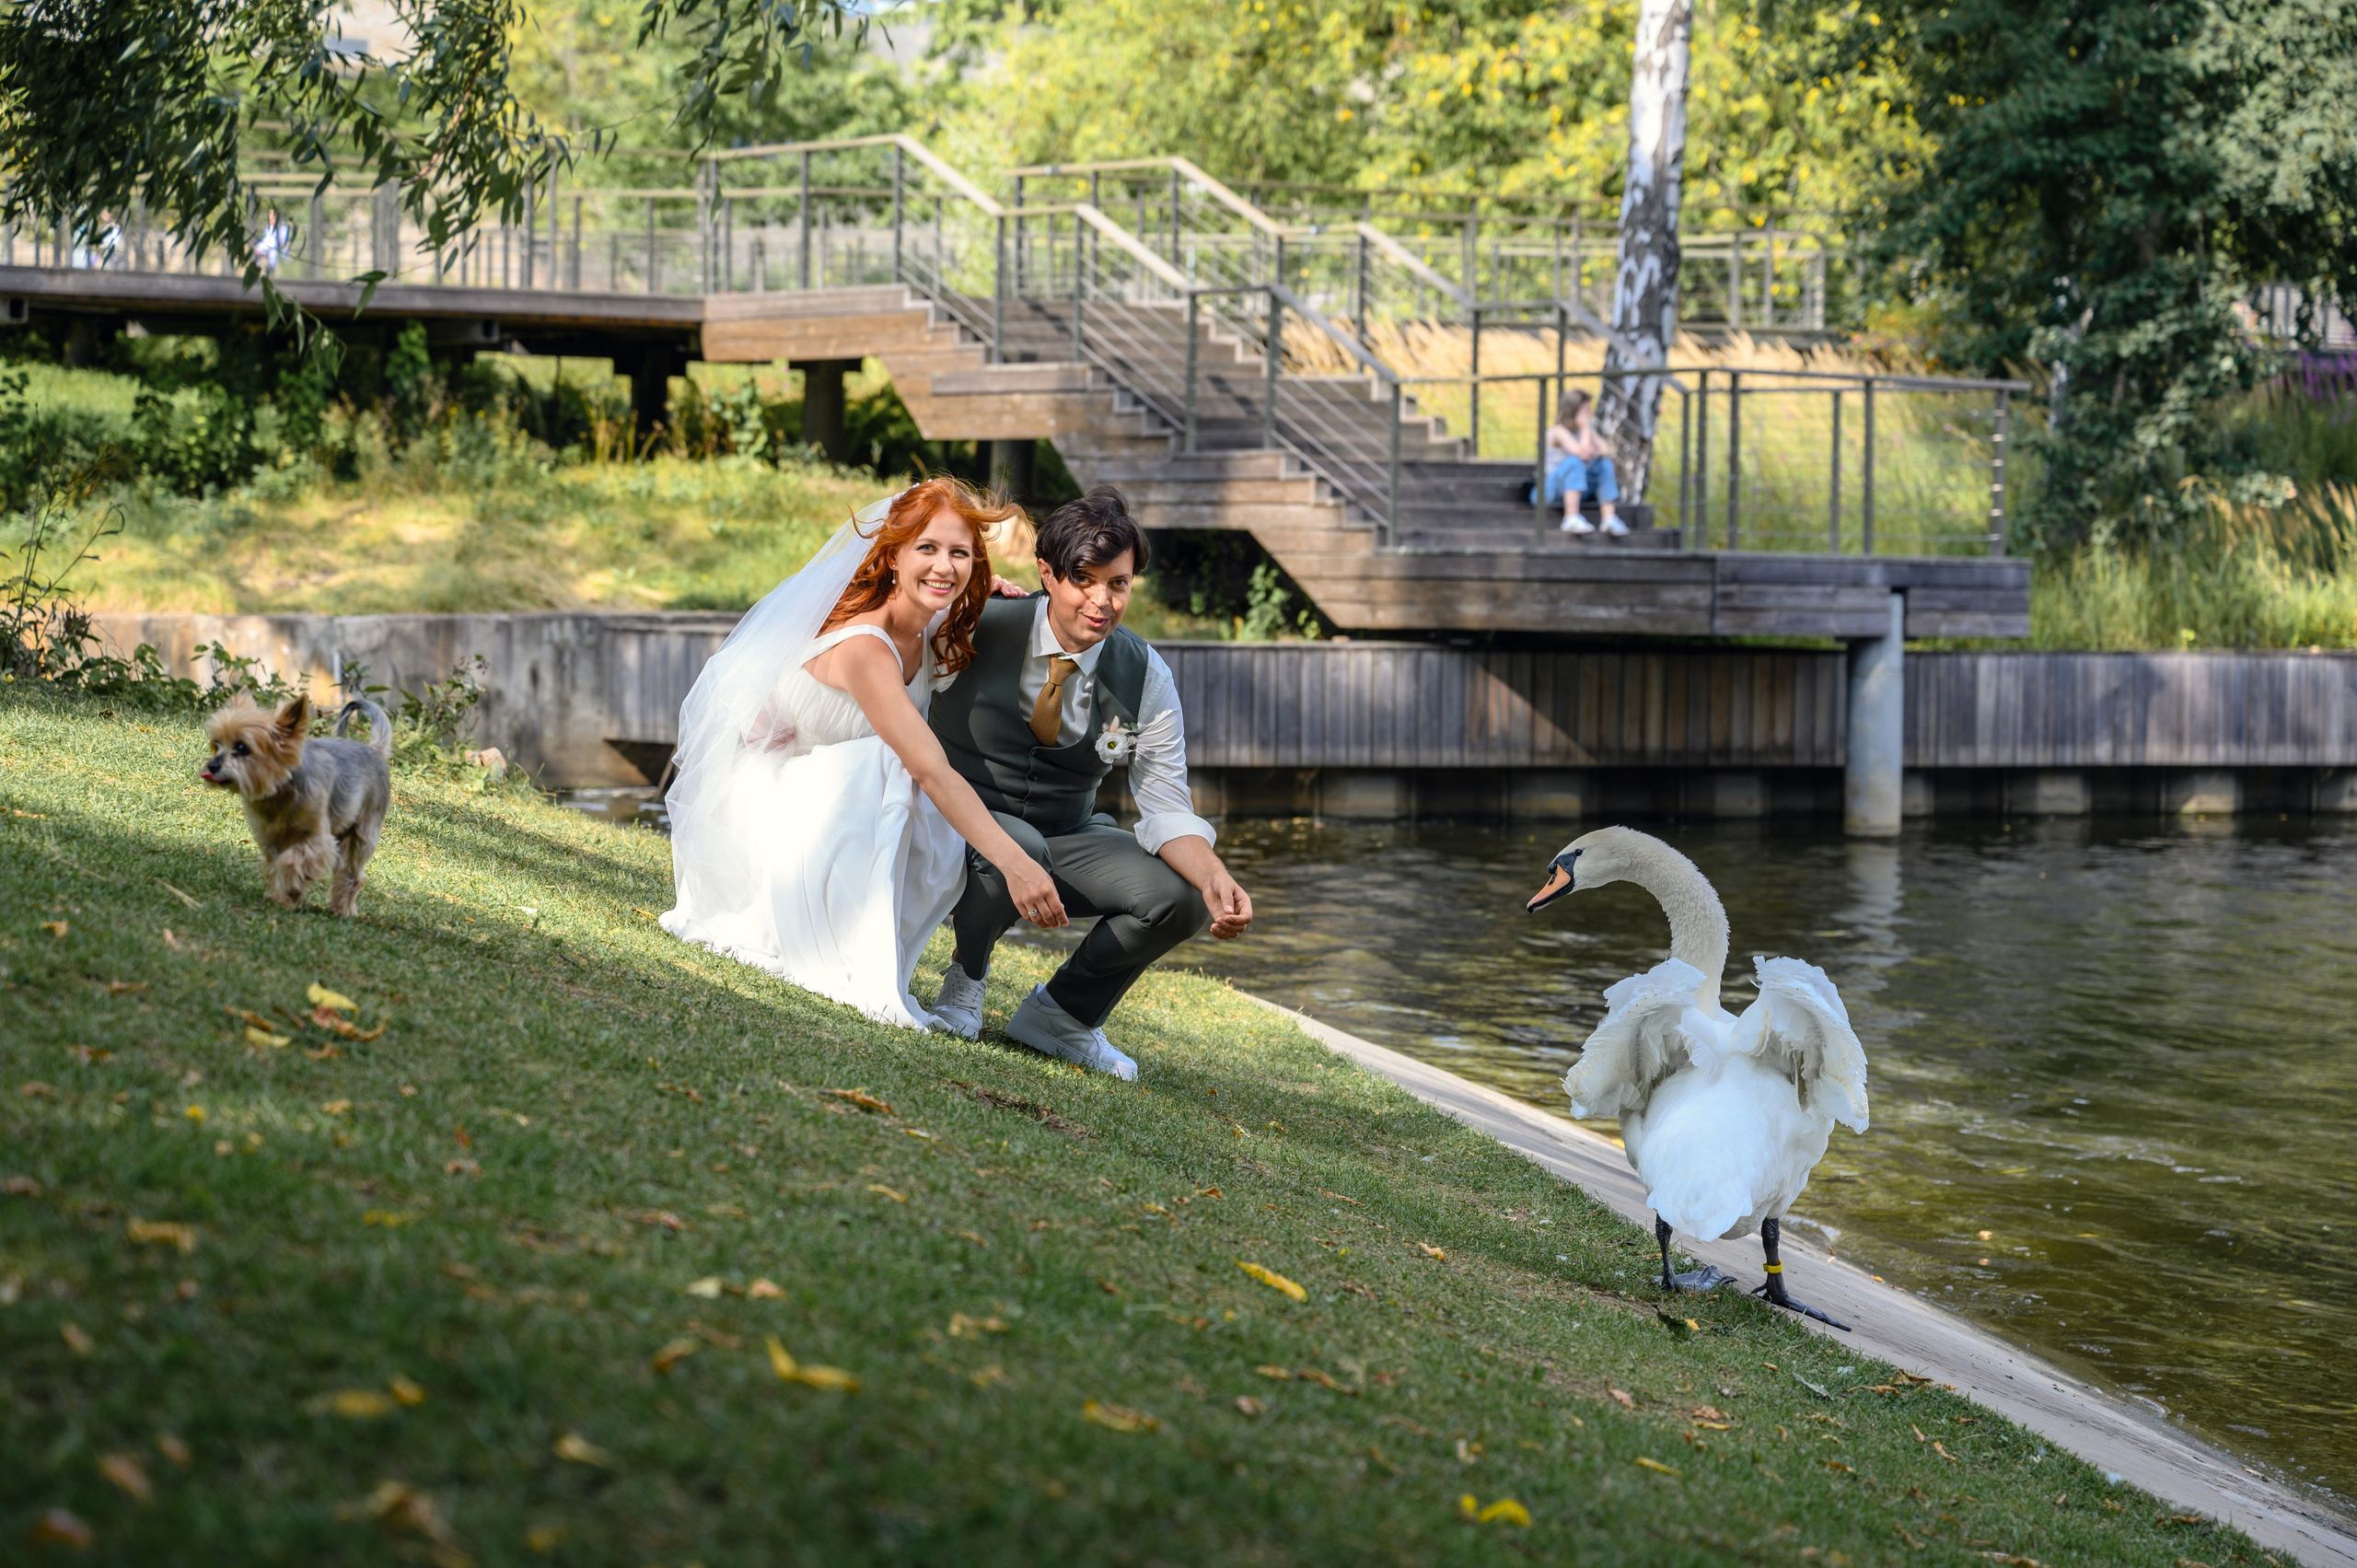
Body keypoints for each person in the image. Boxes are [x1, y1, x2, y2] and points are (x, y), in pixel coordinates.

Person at [660, 479, 1071, 1030]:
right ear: (893, 555)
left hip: (830, 800)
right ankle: (831, 940)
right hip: (775, 805)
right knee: (891, 763)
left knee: (886, 767)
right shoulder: (865, 648)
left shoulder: (932, 622)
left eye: (959, 553)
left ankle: (864, 938)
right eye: (926, 548)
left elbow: (953, 598)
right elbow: (929, 768)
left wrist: (983, 590)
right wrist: (1016, 865)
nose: (944, 566)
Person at [925, 484, 1253, 1081]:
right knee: (1017, 845)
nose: (1102, 601)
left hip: (1068, 836)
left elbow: (1163, 802)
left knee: (1178, 897)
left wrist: (1214, 876)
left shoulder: (1145, 672)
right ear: (1048, 575)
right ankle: (964, 985)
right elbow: (885, 675)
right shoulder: (972, 625)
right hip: (957, 825)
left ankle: (1063, 1016)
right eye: (1084, 579)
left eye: (1119, 583)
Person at [1543, 389, 1628, 536]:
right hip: (1551, 490)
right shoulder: (1558, 431)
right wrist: (1584, 429)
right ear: (1573, 410)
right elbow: (1581, 453)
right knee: (1575, 462)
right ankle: (1571, 518)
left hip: (1578, 488)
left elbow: (1606, 450)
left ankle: (1609, 518)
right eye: (1586, 410)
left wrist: (1593, 449)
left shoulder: (1587, 429)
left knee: (1604, 464)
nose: (1589, 414)